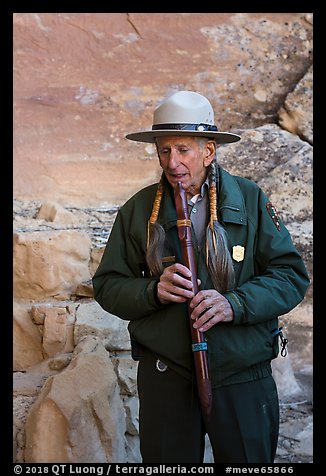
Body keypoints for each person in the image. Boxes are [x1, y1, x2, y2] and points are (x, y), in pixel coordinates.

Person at [92, 90, 310, 463]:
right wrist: (152, 290)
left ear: (208, 150)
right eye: (164, 150)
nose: (172, 162)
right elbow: (108, 285)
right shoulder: (137, 210)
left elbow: (290, 276)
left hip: (243, 373)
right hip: (167, 374)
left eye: (183, 150)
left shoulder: (250, 198)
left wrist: (233, 304)